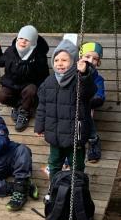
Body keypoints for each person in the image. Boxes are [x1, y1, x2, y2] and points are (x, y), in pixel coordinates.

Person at [34, 39, 94, 181]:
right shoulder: (49, 82)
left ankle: (77, 188)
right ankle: (54, 187)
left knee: (77, 165)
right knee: (54, 163)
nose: (59, 63)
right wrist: (39, 126)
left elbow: (88, 92)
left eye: (64, 60)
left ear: (74, 62)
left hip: (74, 134)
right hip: (54, 134)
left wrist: (84, 73)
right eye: (56, 60)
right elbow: (42, 106)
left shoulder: (78, 80)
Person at [0, 25, 49, 132]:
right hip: (11, 84)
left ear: (33, 42)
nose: (23, 41)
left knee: (31, 90)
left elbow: (44, 75)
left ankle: (24, 112)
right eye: (21, 38)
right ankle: (18, 106)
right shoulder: (11, 51)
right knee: (1, 96)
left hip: (28, 86)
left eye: (27, 40)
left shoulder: (39, 56)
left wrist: (41, 92)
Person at [79, 41, 106, 163]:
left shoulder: (97, 79)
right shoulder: (73, 74)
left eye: (95, 58)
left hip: (87, 106)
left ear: (98, 62)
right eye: (87, 56)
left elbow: (99, 95)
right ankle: (74, 146)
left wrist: (94, 100)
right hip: (71, 106)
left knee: (85, 115)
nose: (90, 61)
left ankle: (93, 139)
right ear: (80, 57)